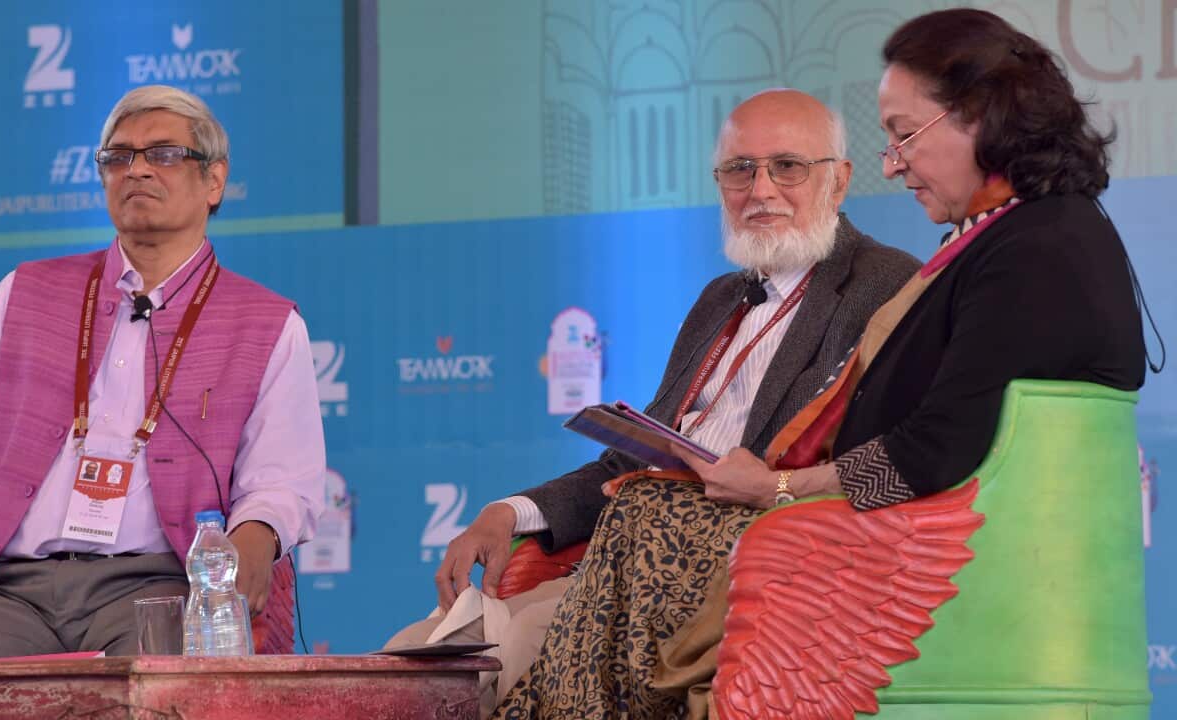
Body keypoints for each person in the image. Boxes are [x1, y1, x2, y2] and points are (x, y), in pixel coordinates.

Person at [511, 8, 1149, 719]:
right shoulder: (1016, 235)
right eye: (738, 169)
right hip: (892, 530)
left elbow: (935, 449)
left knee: (651, 514)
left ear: (980, 118)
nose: (895, 160)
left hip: (927, 555)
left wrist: (782, 490)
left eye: (905, 135)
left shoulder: (1035, 246)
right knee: (640, 510)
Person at [389, 89, 921, 717]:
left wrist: (775, 487)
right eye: (739, 170)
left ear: (838, 180)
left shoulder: (884, 287)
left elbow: (879, 463)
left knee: (490, 663)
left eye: (788, 167)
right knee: (410, 657)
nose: (760, 190)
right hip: (625, 559)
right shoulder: (719, 300)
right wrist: (508, 514)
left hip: (738, 568)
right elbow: (630, 464)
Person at [0, 85, 327, 660]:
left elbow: (282, 481)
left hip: (160, 586)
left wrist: (256, 533)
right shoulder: (23, 293)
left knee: (165, 691)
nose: (138, 170)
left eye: (165, 154)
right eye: (118, 157)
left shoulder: (266, 324)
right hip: (10, 590)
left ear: (215, 180)